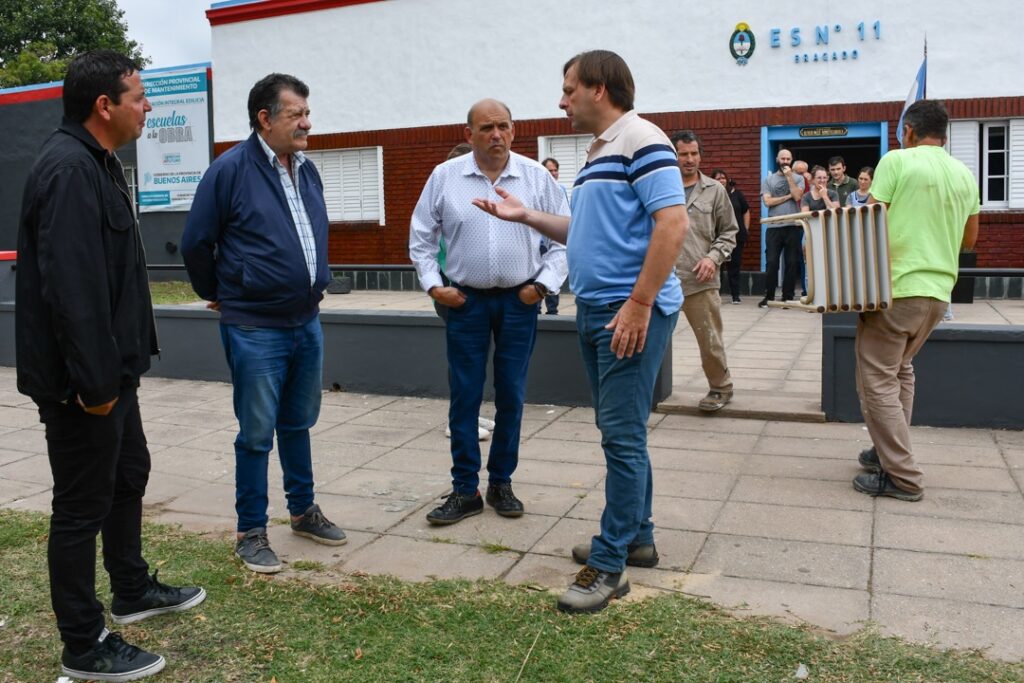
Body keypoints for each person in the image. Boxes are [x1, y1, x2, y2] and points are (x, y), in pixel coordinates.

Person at [472, 50, 688, 613]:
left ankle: (610, 563)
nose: (561, 100)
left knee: (620, 435)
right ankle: (636, 538)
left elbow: (674, 223)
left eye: (568, 89)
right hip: (598, 308)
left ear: (599, 88)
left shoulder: (644, 140)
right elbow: (583, 229)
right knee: (623, 433)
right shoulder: (598, 154)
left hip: (627, 310)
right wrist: (525, 217)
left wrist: (640, 303)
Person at [16, 50, 205, 682]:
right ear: (105, 106)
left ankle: (130, 590)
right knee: (80, 506)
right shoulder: (69, 169)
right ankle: (83, 643)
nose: (147, 106)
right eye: (139, 96)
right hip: (82, 384)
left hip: (112, 374)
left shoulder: (97, 163)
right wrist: (94, 386)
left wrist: (117, 374)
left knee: (129, 474)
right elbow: (72, 290)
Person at [182, 73, 347, 574]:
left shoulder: (307, 170)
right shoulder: (229, 170)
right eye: (296, 113)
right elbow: (195, 242)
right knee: (256, 432)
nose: (306, 122)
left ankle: (302, 511)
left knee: (298, 422)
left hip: (305, 320)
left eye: (306, 112)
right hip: (254, 326)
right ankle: (251, 530)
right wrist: (219, 291)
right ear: (265, 118)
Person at [409, 99, 569, 525]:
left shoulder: (535, 177)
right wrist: (434, 286)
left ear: (514, 130)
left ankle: (501, 482)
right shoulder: (445, 177)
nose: (495, 135)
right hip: (466, 302)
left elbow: (565, 237)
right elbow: (421, 238)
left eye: (503, 126)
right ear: (469, 134)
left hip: (520, 301)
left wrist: (542, 287)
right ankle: (465, 489)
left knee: (512, 395)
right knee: (464, 396)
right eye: (486, 128)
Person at [853, 99, 979, 501]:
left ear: (908, 130)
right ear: (944, 133)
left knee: (876, 380)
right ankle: (885, 451)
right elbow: (970, 240)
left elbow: (870, 222)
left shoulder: (897, 161)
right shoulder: (964, 173)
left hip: (896, 288)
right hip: (938, 293)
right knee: (901, 370)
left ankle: (903, 476)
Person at [672, 132, 738, 412]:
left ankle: (720, 388)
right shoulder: (660, 187)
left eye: (694, 153)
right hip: (660, 279)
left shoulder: (714, 190)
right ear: (673, 155)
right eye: (683, 154)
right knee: (648, 339)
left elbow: (729, 232)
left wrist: (713, 258)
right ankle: (647, 389)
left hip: (699, 279)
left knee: (710, 340)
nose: (689, 159)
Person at [760, 149, 805, 307]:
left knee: (792, 262)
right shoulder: (768, 180)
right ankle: (769, 297)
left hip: (792, 226)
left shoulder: (799, 179)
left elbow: (798, 196)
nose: (785, 161)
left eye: (788, 159)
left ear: (792, 160)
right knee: (772, 262)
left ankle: (787, 296)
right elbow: (768, 202)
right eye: (782, 159)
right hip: (774, 226)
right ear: (777, 160)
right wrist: (787, 197)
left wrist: (789, 177)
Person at [713, 169, 750, 304]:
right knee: (718, 266)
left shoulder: (737, 194)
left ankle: (735, 295)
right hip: (716, 236)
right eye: (718, 178)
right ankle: (717, 295)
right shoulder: (711, 195)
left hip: (736, 236)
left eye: (723, 178)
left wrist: (745, 228)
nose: (721, 180)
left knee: (734, 265)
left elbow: (746, 211)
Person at [540, 156, 568, 314]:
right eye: (550, 170)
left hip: (555, 239)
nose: (553, 173)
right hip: (540, 240)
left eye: (555, 170)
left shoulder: (561, 189)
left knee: (554, 272)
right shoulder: (538, 188)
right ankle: (536, 308)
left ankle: (552, 310)